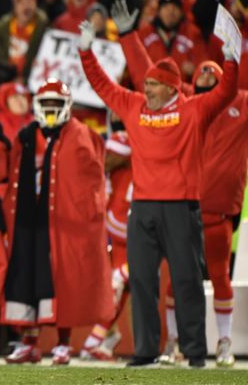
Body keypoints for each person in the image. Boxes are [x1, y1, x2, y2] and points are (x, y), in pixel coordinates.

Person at [78, 18, 239, 368]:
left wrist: (232, 60)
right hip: (144, 209)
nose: (147, 89)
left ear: (171, 88)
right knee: (141, 280)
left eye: (153, 85)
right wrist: (84, 50)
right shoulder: (134, 107)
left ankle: (196, 353)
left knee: (187, 281)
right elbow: (101, 85)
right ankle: (146, 351)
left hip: (182, 208)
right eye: (146, 83)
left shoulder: (193, 109)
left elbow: (226, 92)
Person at [2, 79, 112, 366]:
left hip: (61, 222)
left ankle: (63, 343)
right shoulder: (26, 136)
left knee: (62, 282)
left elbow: (91, 182)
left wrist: (85, 216)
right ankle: (29, 343)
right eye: (47, 104)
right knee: (27, 280)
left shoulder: (82, 135)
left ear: (67, 106)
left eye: (56, 104)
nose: (51, 110)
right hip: (29, 219)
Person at [80, 129, 133, 361]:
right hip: (120, 225)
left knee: (121, 280)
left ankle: (99, 340)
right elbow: (104, 165)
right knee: (118, 283)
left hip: (143, 223)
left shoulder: (146, 137)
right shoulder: (122, 142)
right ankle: (101, 339)